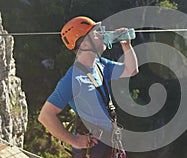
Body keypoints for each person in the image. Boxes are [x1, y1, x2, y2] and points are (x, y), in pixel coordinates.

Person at [38, 16, 139, 158]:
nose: (103, 34)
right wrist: (74, 141)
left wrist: (126, 45)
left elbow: (131, 70)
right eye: (97, 32)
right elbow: (45, 116)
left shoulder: (100, 64)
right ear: (85, 44)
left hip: (108, 142)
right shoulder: (73, 79)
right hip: (93, 148)